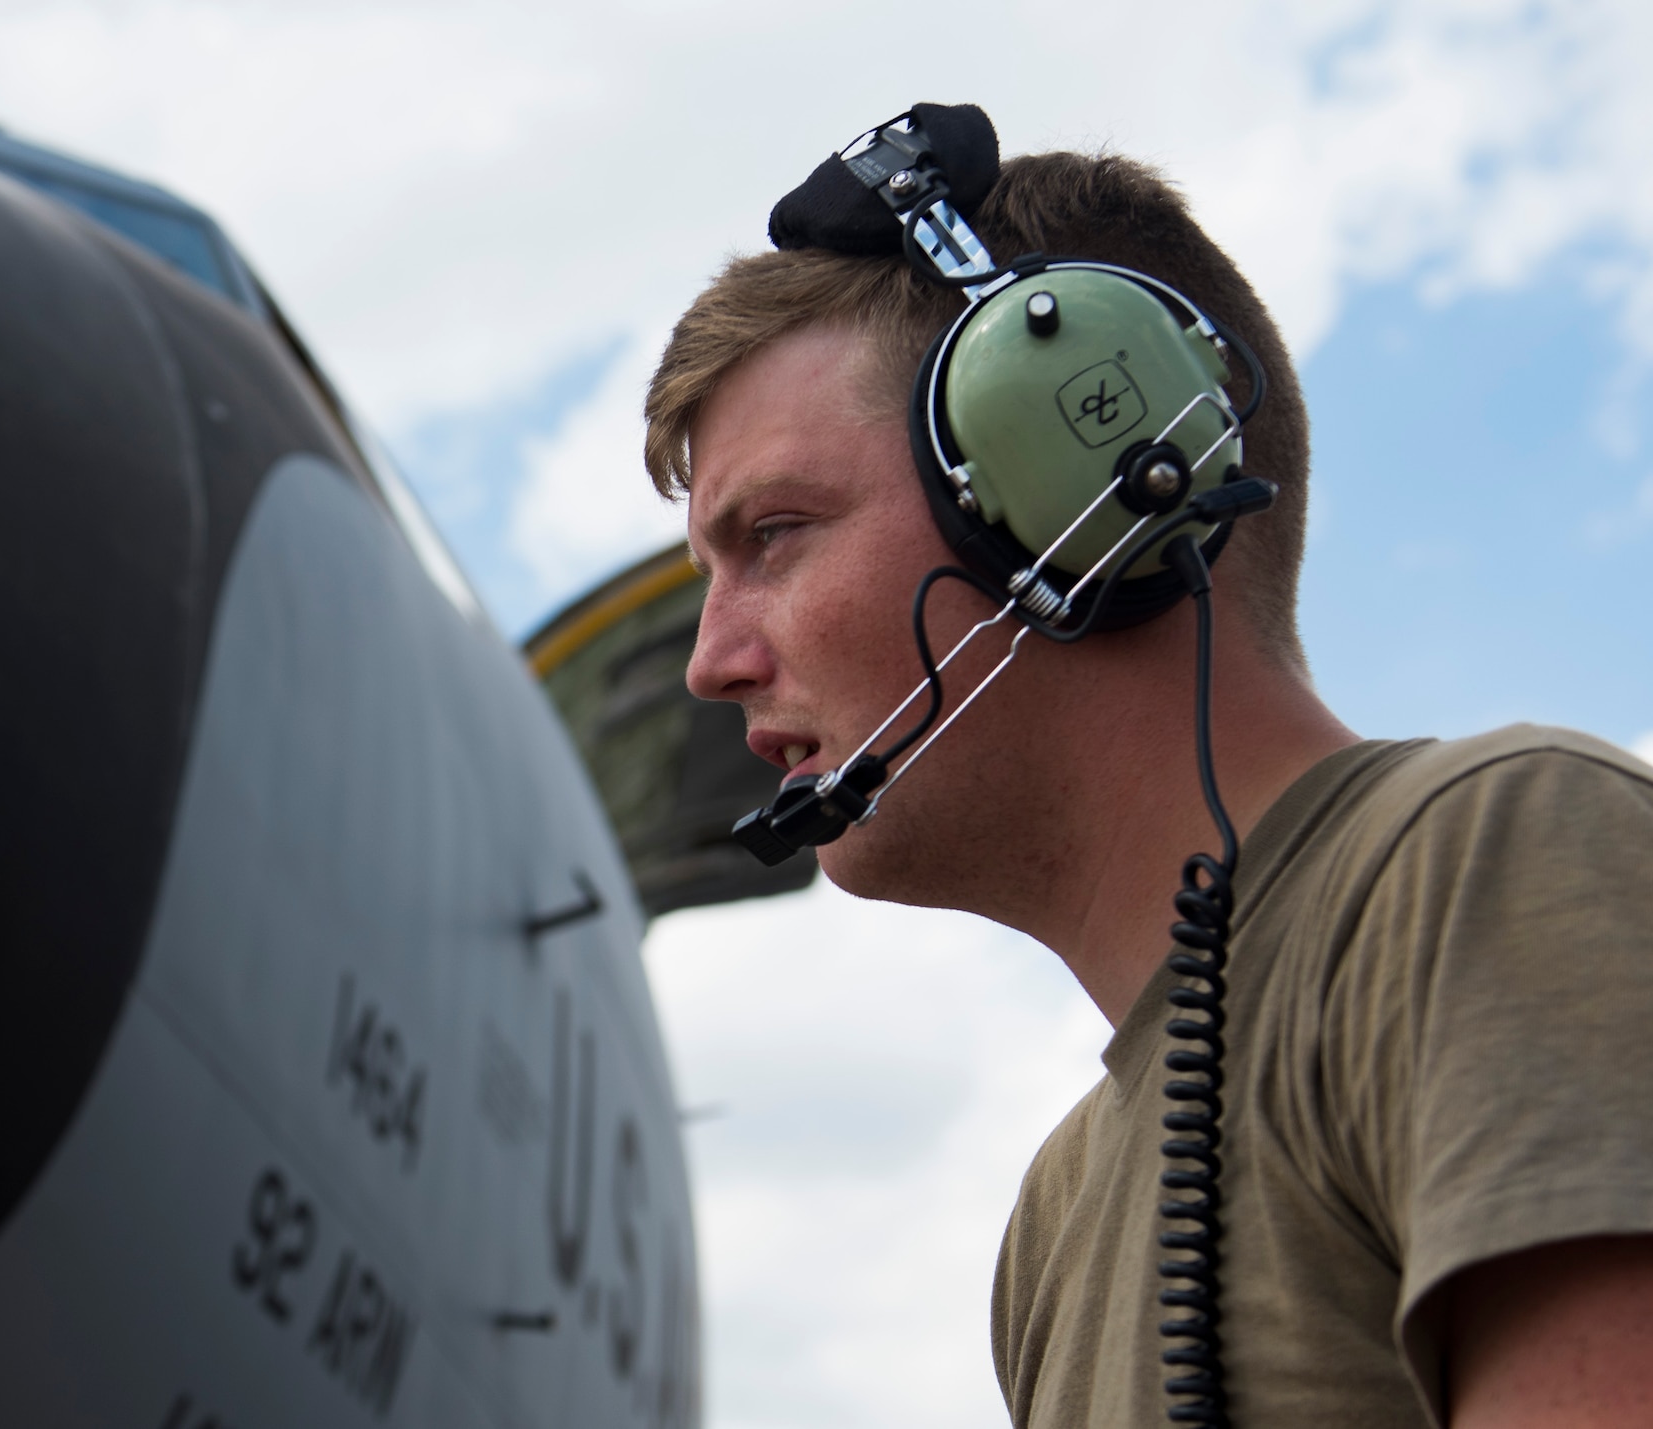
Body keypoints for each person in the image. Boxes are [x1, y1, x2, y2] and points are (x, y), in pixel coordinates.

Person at [646, 129, 1653, 1427]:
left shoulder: (1488, 858)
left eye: (773, 533)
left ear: (1076, 487)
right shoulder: (1062, 1209)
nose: (709, 664)